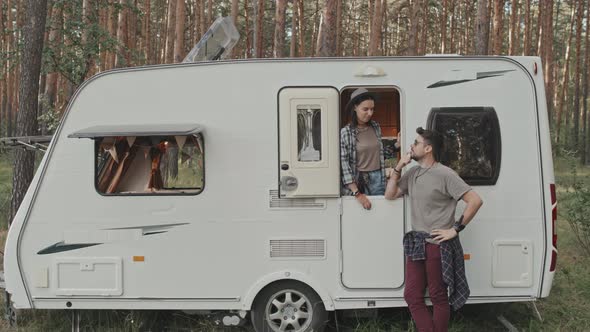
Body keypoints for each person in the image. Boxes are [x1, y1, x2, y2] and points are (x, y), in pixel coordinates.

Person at [384, 127, 483, 332]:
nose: (412, 146)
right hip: (417, 244)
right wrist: (398, 167)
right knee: (412, 295)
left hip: (438, 245)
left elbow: (475, 200)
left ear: (428, 148)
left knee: (438, 296)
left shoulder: (445, 174)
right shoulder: (412, 172)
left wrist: (455, 229)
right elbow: (390, 195)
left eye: (416, 143)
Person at [340, 88, 399, 209]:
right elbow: (344, 165)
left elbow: (379, 154)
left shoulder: (376, 127)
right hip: (359, 181)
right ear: (355, 107)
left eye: (372, 109)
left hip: (378, 178)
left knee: (379, 212)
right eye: (365, 109)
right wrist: (357, 193)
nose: (370, 113)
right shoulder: (346, 132)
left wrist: (396, 146)